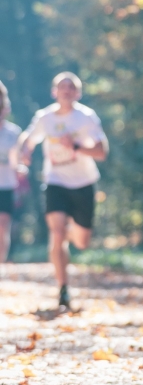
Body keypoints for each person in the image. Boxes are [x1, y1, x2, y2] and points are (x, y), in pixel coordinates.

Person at [17, 72, 108, 308]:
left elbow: (101, 152)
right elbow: (28, 137)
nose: (66, 90)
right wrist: (24, 152)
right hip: (55, 180)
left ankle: (70, 232)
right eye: (61, 87)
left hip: (83, 182)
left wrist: (76, 146)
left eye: (71, 87)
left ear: (77, 93)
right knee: (56, 232)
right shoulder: (44, 117)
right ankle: (63, 288)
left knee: (82, 242)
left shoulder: (86, 117)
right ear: (53, 92)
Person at [0, 80, 23, 265]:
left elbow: (17, 161)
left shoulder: (13, 133)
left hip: (6, 185)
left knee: (2, 226)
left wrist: (21, 168)